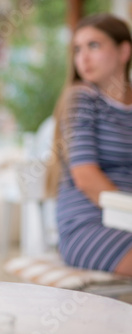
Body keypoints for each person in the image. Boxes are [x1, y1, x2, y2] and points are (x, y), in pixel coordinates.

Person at [47, 14, 132, 276]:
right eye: (77, 49)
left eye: (93, 46)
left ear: (124, 50)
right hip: (91, 224)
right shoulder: (82, 98)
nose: (83, 58)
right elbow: (85, 176)